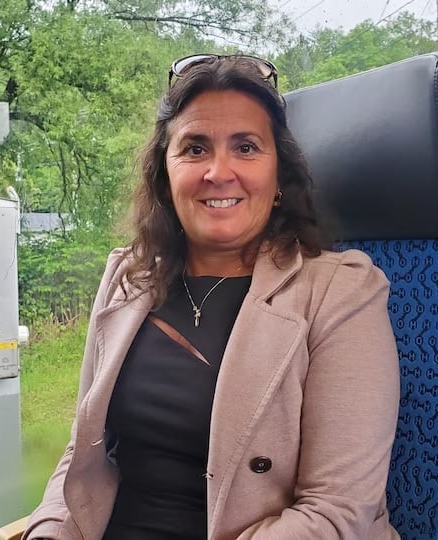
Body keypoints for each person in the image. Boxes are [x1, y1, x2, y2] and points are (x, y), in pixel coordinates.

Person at [24, 53, 400, 540]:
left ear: (279, 177)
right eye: (195, 148)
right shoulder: (127, 276)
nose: (219, 171)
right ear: (165, 176)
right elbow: (83, 451)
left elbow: (335, 511)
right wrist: (48, 530)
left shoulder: (340, 291)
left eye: (246, 147)